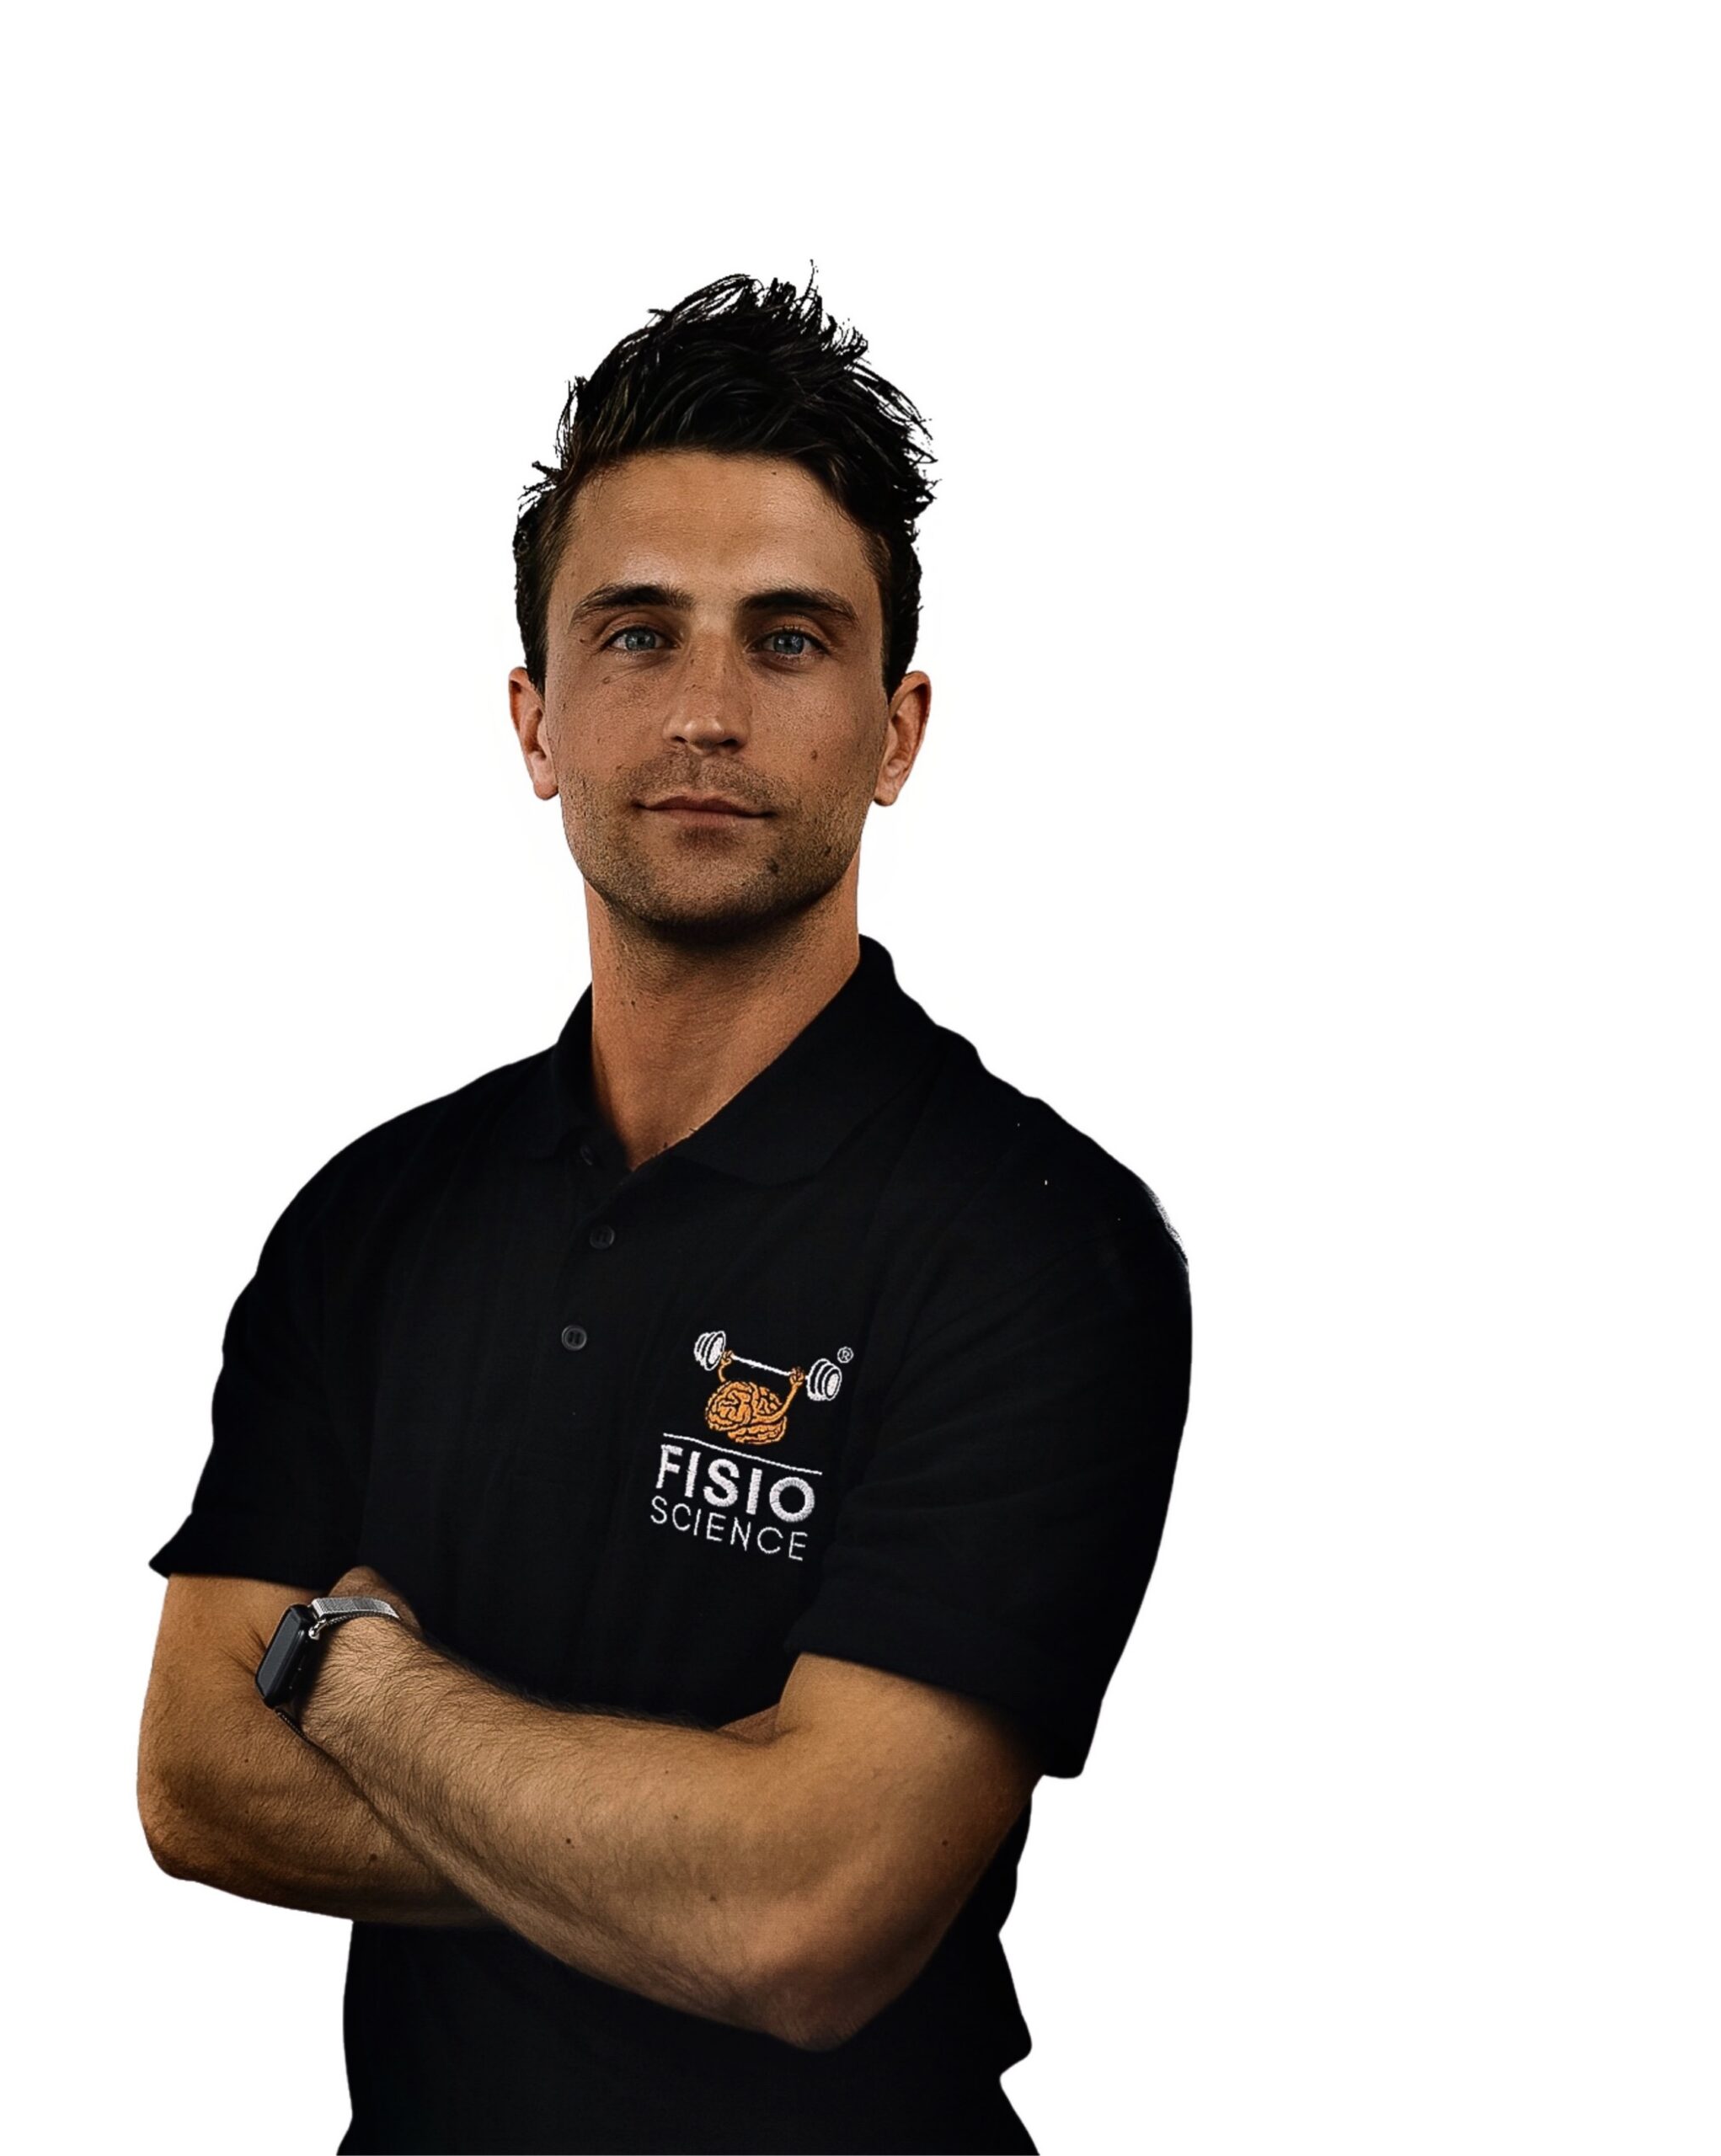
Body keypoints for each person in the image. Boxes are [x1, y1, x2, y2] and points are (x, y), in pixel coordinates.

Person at [137, 271, 1193, 2155]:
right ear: (535, 719)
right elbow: (195, 1778)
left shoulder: (1041, 1244)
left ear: (897, 728)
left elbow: (808, 1919)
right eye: (637, 634)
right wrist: (694, 1833)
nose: (706, 710)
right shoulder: (371, 1221)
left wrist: (349, 1673)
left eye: (788, 639)